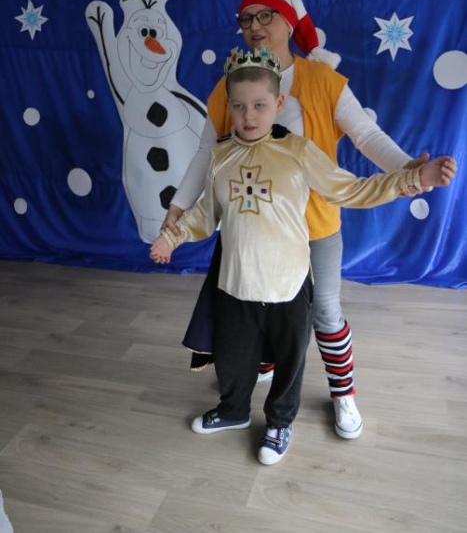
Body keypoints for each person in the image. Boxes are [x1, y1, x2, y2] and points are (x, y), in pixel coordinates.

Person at [150, 46, 456, 466]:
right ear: (228, 106)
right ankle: (235, 410)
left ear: (279, 103)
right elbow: (207, 212)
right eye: (238, 106)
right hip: (237, 282)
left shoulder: (298, 150)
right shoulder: (221, 153)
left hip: (288, 282)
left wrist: (412, 178)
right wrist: (174, 235)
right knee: (234, 356)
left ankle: (279, 422)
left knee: (289, 360)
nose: (248, 116)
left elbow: (351, 189)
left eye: (259, 105)